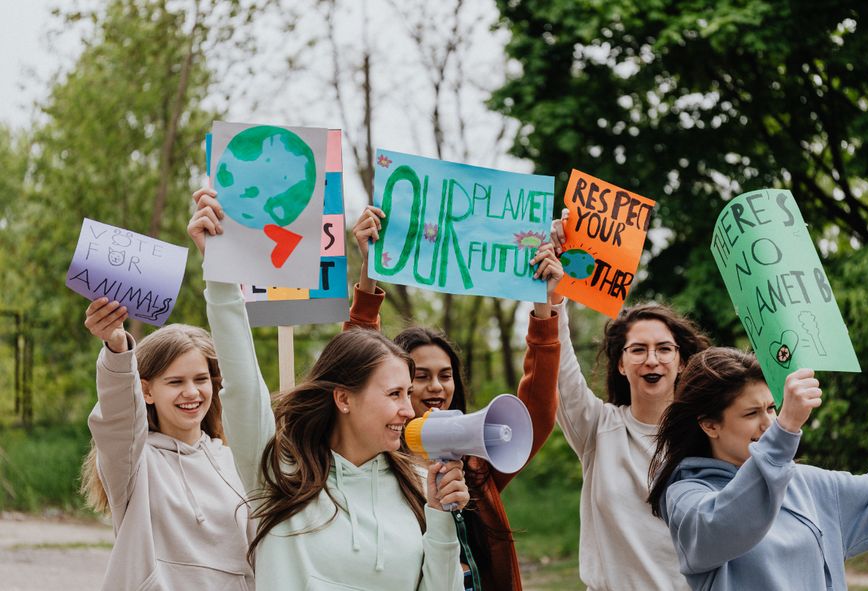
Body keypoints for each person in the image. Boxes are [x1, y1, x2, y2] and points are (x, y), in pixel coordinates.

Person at [188, 188, 468, 591]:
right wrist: (220, 272)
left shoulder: (419, 485)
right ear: (343, 398)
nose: (409, 409)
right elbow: (243, 383)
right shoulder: (278, 472)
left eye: (408, 394)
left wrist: (441, 516)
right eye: (394, 395)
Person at [346, 204, 563, 591]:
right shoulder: (373, 459)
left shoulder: (477, 464)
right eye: (421, 377)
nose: (436, 387)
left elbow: (537, 413)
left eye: (445, 376)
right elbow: (357, 362)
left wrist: (544, 306)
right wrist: (368, 271)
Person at [547, 210, 710, 590]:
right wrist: (554, 295)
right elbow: (557, 363)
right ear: (621, 363)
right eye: (638, 350)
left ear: (681, 361)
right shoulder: (597, 427)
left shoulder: (709, 433)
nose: (651, 359)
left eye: (664, 349)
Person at [648, 347, 868, 590]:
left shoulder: (806, 484)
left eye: (771, 408)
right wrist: (785, 429)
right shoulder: (685, 497)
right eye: (751, 413)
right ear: (710, 426)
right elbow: (727, 524)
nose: (769, 423)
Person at [79, 297, 255, 591]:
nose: (191, 392)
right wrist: (117, 349)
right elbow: (118, 419)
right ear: (146, 390)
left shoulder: (235, 462)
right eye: (175, 382)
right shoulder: (133, 464)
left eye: (200, 379)